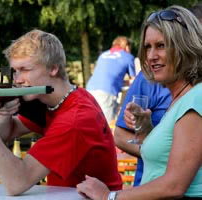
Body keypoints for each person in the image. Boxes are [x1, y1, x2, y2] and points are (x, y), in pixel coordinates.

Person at [0, 29, 123, 195]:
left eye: (25, 70)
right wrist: (3, 113)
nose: (18, 80)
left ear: (53, 68)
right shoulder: (55, 101)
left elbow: (16, 182)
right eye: (15, 71)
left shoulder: (76, 119)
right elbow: (7, 133)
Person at [77, 5, 202, 199]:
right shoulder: (181, 98)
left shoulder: (196, 98)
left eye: (161, 45)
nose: (151, 56)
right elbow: (171, 160)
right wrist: (145, 132)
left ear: (184, 48)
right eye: (147, 47)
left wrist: (109, 197)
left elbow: (175, 186)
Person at [114, 71, 171, 186]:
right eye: (147, 51)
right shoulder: (151, 74)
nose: (152, 56)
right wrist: (157, 153)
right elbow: (120, 136)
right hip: (151, 186)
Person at [86, 36, 136, 123]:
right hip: (106, 93)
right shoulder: (128, 57)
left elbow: (107, 77)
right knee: (106, 127)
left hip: (89, 91)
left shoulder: (103, 55)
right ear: (127, 46)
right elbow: (134, 81)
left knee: (91, 123)